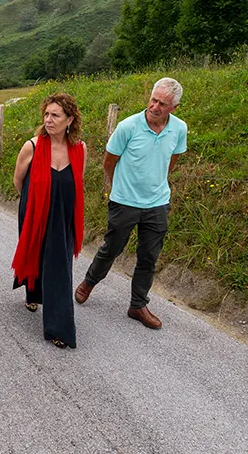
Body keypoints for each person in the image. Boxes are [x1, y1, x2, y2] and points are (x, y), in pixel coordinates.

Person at [74, 78, 187, 330]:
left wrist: (157, 183)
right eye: (153, 100)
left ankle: (138, 305)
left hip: (157, 204)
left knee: (149, 257)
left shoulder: (179, 129)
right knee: (111, 248)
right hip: (124, 201)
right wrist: (120, 187)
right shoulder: (128, 127)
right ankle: (89, 282)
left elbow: (173, 159)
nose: (155, 106)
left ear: (174, 108)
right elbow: (108, 161)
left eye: (162, 103)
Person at [12, 93, 87, 349]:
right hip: (34, 212)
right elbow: (18, 181)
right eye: (46, 114)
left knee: (58, 266)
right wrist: (34, 205)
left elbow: (78, 182)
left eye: (55, 115)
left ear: (70, 120)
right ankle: (32, 292)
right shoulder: (31, 146)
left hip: (64, 216)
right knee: (35, 252)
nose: (48, 120)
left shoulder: (80, 149)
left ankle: (58, 327)